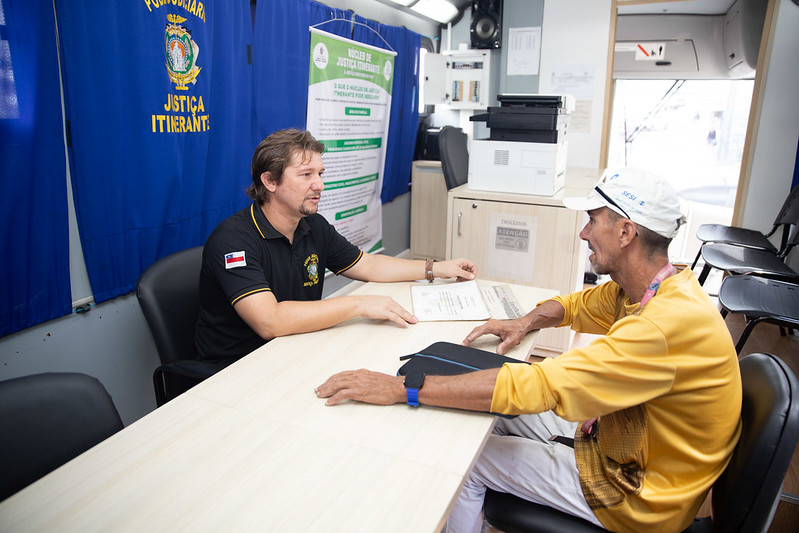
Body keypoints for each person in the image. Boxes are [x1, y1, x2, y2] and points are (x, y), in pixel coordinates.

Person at [315, 167, 742, 532]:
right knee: (486, 419)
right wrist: (526, 322)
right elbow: (575, 306)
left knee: (468, 461)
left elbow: (540, 385)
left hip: (639, 494)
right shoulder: (658, 287)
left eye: (593, 221)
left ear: (626, 232)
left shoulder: (662, 328)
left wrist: (402, 388)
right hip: (619, 440)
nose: (584, 232)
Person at [195, 128, 477, 363]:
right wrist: (360, 304)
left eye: (320, 174)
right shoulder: (233, 241)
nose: (319, 185)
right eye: (306, 175)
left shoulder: (311, 224)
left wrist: (435, 268)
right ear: (270, 181)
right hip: (239, 366)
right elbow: (270, 321)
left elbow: (367, 264)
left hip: (295, 347)